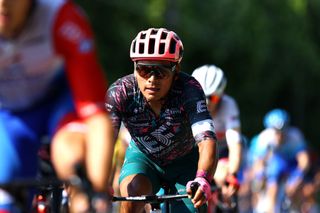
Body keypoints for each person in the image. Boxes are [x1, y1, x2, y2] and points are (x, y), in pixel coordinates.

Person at [0, 0, 114, 212]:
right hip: (8, 117)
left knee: (74, 159)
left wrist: (95, 193)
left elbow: (97, 118)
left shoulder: (60, 16)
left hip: (58, 105)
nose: (4, 3)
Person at [105, 27, 218, 213]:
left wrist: (202, 178)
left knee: (193, 209)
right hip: (143, 159)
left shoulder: (189, 89)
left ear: (176, 70)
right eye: (143, 70)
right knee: (132, 197)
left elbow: (207, 139)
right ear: (134, 68)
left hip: (185, 162)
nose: (151, 79)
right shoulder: (120, 92)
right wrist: (100, 182)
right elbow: (105, 142)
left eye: (160, 72)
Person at [192, 65, 243, 212]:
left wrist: (232, 175)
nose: (207, 103)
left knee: (225, 181)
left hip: (221, 155)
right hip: (195, 153)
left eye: (212, 97)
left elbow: (235, 145)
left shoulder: (229, 105)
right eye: (202, 97)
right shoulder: (186, 103)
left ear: (221, 95)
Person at [248, 108, 310, 213]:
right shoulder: (264, 138)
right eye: (276, 132)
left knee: (302, 190)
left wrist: (295, 180)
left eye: (283, 132)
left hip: (291, 166)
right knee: (273, 173)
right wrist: (260, 179)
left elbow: (304, 162)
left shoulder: (295, 135)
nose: (280, 136)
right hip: (274, 166)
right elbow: (258, 163)